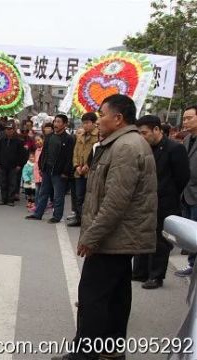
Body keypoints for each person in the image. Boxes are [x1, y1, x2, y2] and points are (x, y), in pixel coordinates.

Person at [53, 94, 157, 360]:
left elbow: (115, 202)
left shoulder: (125, 147)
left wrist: (92, 236)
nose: (98, 119)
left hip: (113, 238)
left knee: (93, 296)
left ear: (118, 118)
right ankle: (111, 350)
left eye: (102, 114)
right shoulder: (123, 143)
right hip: (120, 237)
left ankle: (84, 353)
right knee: (116, 296)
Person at [132, 115, 189, 289]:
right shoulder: (143, 148)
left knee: (159, 241)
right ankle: (140, 272)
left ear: (157, 130)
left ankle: (156, 276)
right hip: (143, 201)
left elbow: (182, 177)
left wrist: (167, 193)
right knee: (141, 236)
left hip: (165, 202)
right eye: (139, 133)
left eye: (145, 133)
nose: (142, 137)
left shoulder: (174, 149)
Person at [27, 114, 74, 223]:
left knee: (58, 195)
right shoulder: (49, 137)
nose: (56, 124)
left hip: (59, 172)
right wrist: (41, 167)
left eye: (59, 122)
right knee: (43, 193)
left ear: (65, 124)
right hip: (47, 170)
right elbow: (44, 153)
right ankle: (38, 214)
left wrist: (65, 172)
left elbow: (69, 157)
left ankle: (56, 216)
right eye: (55, 122)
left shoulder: (68, 139)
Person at [176, 105, 197, 277]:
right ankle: (192, 264)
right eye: (184, 118)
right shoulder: (188, 138)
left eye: (189, 117)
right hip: (186, 193)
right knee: (191, 234)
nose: (185, 121)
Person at [68, 113, 99, 227]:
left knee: (90, 197)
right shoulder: (80, 136)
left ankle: (89, 220)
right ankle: (79, 218)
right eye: (83, 123)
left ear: (94, 123)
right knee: (78, 196)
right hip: (79, 171)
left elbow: (97, 153)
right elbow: (75, 152)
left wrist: (87, 166)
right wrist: (76, 166)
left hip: (91, 171)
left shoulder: (98, 136)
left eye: (87, 123)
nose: (85, 125)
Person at [0, 121, 27, 207]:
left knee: (12, 183)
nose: (8, 131)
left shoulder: (19, 141)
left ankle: (11, 200)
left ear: (14, 130)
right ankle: (3, 199)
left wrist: (20, 165)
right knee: (3, 182)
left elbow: (23, 155)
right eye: (7, 129)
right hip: (2, 165)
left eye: (10, 129)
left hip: (14, 166)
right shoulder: (1, 140)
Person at [32, 134, 44, 212]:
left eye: (39, 140)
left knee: (42, 192)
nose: (37, 142)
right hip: (36, 174)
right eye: (36, 141)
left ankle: (41, 206)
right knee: (37, 191)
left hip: (42, 174)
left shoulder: (44, 150)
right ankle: (36, 205)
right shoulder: (36, 150)